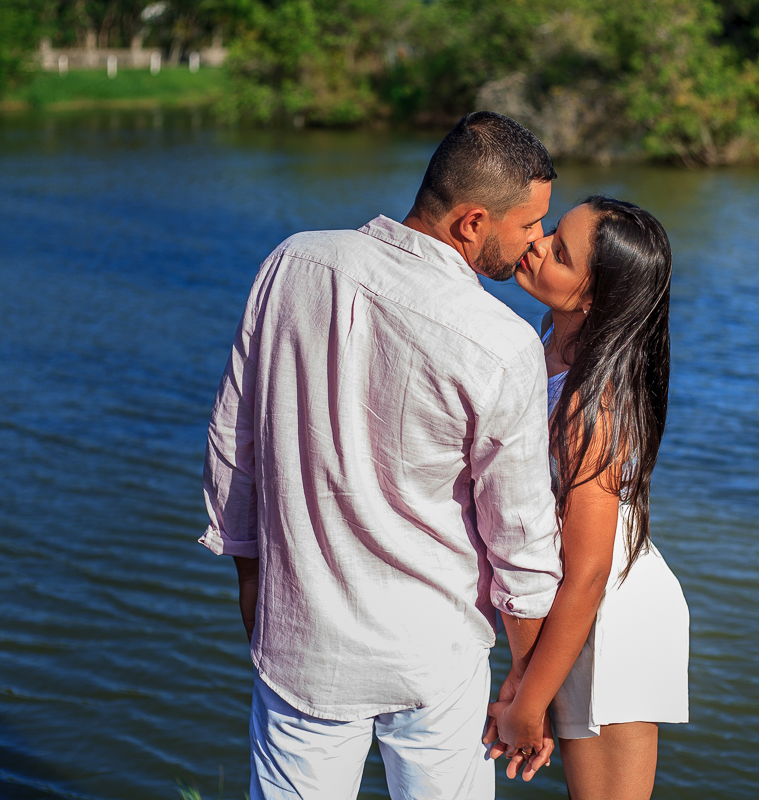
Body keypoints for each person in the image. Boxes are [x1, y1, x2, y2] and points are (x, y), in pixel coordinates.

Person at [199, 111, 564, 800]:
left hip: (303, 642)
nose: (535, 243)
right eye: (528, 226)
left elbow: (232, 445)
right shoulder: (501, 341)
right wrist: (526, 685)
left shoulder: (292, 262)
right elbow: (520, 536)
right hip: (434, 655)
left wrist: (254, 587)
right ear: (471, 222)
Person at [486, 196, 689, 798]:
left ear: (594, 297)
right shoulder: (552, 336)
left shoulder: (591, 404)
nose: (538, 242)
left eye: (561, 252)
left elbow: (592, 568)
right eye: (551, 230)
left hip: (613, 611)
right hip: (582, 604)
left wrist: (530, 700)